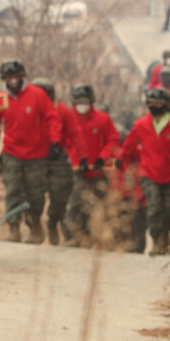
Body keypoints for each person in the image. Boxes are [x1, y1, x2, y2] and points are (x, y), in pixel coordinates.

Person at [0, 61, 62, 244]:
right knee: (13, 190)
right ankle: (14, 228)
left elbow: (52, 117)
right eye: (9, 78)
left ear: (22, 77)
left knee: (35, 192)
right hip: (11, 154)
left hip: (37, 154)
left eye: (16, 77)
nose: (13, 81)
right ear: (4, 79)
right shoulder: (0, 99)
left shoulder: (37, 95)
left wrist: (55, 141)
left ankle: (35, 224)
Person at [121, 88, 170, 255]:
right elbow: (127, 149)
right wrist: (125, 167)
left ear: (165, 105)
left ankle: (164, 235)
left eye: (158, 103)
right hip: (148, 174)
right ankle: (156, 241)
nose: (154, 106)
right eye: (151, 103)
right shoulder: (140, 125)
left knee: (168, 210)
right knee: (153, 208)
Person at [63, 85, 120, 247]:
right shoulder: (68, 119)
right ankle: (73, 236)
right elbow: (66, 142)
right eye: (78, 102)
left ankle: (98, 239)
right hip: (78, 171)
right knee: (75, 204)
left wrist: (103, 157)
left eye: (85, 101)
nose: (82, 104)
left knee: (102, 207)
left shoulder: (103, 119)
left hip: (99, 172)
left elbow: (113, 140)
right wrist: (77, 160)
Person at [32, 78, 85, 245]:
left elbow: (75, 134)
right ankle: (33, 225)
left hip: (58, 156)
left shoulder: (63, 111)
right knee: (33, 193)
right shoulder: (29, 109)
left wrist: (82, 156)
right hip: (33, 155)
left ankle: (53, 221)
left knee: (60, 193)